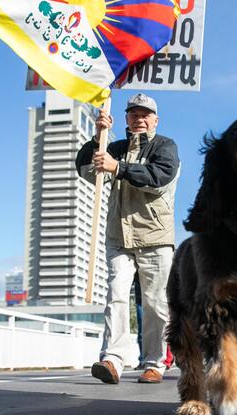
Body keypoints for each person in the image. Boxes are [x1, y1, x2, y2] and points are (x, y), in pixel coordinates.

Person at [76, 93, 180, 384]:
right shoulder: (115, 147)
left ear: (155, 119)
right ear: (126, 119)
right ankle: (113, 358)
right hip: (118, 235)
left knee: (156, 303)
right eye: (134, 113)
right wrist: (98, 136)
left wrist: (118, 167)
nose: (139, 118)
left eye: (145, 114)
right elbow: (86, 171)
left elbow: (159, 178)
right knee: (116, 295)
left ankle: (155, 362)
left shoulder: (166, 147)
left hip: (155, 236)